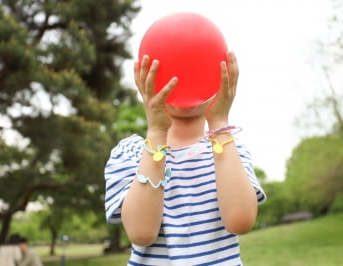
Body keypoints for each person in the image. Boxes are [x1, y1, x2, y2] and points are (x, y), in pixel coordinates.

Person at [104, 51, 266, 265]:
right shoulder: (130, 152)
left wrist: (219, 122)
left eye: (194, 70)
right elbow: (141, 232)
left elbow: (240, 222)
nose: (183, 81)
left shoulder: (229, 150)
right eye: (173, 72)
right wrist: (156, 132)